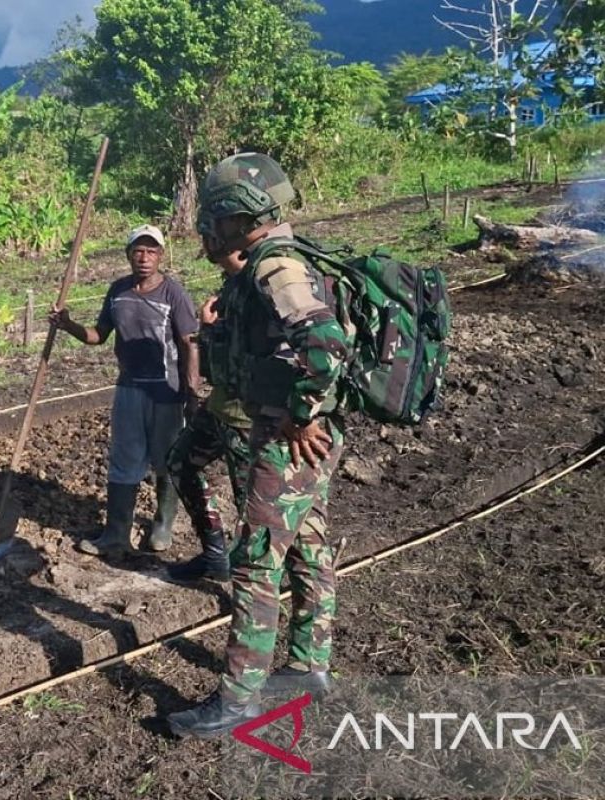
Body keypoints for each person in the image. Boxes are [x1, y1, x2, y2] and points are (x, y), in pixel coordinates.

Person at [166, 153, 350, 739]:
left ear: (236, 218)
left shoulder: (277, 266)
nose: (210, 231)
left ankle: (239, 697)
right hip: (294, 438)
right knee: (308, 545)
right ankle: (308, 664)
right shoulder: (269, 266)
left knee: (256, 563)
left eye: (215, 219)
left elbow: (323, 345)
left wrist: (301, 413)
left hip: (284, 440)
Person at [50, 224, 199, 555]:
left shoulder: (173, 293)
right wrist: (68, 324)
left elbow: (189, 344)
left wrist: (192, 390)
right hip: (129, 387)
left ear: (161, 255)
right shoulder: (118, 291)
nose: (144, 258)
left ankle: (162, 525)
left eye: (151, 251)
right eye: (138, 251)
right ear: (129, 255)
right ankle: (116, 533)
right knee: (124, 459)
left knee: (166, 460)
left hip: (166, 390)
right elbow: (98, 335)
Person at [163, 257, 254, 582]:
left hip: (250, 422)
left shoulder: (262, 290)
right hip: (219, 409)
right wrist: (209, 328)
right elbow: (213, 364)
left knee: (252, 504)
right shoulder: (230, 288)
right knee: (179, 463)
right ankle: (215, 555)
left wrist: (211, 331)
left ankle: (251, 580)